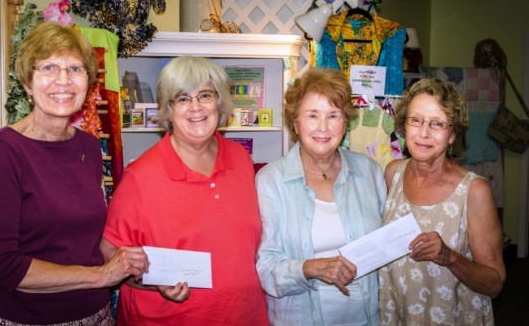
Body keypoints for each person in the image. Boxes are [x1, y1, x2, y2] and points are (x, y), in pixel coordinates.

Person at [0, 22, 149, 325]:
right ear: (28, 83)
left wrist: (133, 268)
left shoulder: (89, 147)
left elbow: (87, 236)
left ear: (88, 82)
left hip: (94, 314)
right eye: (49, 68)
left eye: (75, 69)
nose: (63, 80)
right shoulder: (2, 153)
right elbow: (1, 266)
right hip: (22, 319)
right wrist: (103, 275)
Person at [100, 56, 269, 325]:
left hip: (245, 315)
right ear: (168, 109)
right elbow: (109, 252)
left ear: (220, 102)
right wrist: (152, 283)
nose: (195, 107)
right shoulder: (140, 177)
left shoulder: (239, 158)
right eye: (182, 98)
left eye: (205, 95)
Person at [256, 68, 386, 326]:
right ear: (296, 122)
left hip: (368, 318)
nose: (323, 128)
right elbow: (267, 269)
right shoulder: (271, 180)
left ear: (345, 122)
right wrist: (311, 268)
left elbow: (385, 248)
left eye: (333, 115)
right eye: (313, 116)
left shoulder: (369, 171)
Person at [379, 78, 506, 325]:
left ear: (452, 135)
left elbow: (495, 284)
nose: (424, 133)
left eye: (437, 123)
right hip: (398, 315)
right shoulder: (392, 173)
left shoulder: (473, 191)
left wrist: (450, 257)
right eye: (416, 120)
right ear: (404, 125)